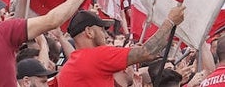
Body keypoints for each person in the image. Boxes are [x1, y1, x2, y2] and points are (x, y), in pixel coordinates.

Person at [56, 6, 184, 87]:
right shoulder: (98, 56)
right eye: (102, 30)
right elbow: (147, 51)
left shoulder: (67, 69)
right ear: (89, 32)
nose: (105, 35)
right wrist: (170, 22)